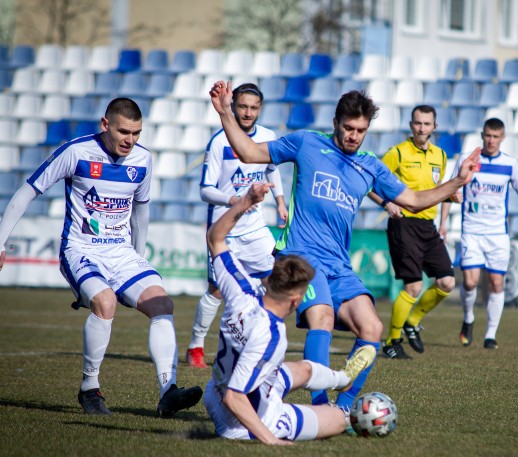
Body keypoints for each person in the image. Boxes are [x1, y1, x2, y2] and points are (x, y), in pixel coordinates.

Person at [209, 81, 481, 411]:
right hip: (301, 257)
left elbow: (413, 200)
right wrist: (226, 113)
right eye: (349, 127)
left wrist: (458, 180)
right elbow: (250, 153)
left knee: (373, 327)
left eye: (361, 130)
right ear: (336, 123)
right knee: (321, 317)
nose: (354, 135)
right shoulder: (306, 143)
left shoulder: (369, 165)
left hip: (339, 265)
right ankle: (320, 405)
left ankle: (345, 407)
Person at [0, 98, 202, 417]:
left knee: (162, 304)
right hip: (80, 250)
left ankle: (168, 392)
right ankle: (89, 388)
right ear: (105, 124)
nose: (130, 140)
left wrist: (138, 257)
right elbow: (27, 191)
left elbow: (141, 211)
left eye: (136, 133)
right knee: (105, 303)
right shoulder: (76, 152)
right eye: (123, 131)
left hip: (121, 253)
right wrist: (1, 242)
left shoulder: (143, 160)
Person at [203, 181, 376, 444]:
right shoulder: (271, 335)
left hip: (214, 392)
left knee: (306, 370)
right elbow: (234, 397)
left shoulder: (241, 292)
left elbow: (215, 237)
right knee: (342, 420)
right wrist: (270, 440)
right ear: (296, 301)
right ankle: (337, 408)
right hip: (243, 419)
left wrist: (246, 201)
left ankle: (343, 378)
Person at [186, 83, 288, 369]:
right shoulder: (219, 142)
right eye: (242, 106)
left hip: (256, 228)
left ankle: (260, 343)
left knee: (275, 284)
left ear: (260, 109)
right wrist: (235, 200)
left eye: (254, 107)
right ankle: (195, 345)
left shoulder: (267, 137)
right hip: (225, 228)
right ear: (234, 107)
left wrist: (280, 201)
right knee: (217, 290)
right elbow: (205, 189)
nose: (248, 112)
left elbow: (272, 170)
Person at [369, 105, 461, 359]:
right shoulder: (397, 153)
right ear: (411, 125)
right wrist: (386, 203)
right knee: (413, 287)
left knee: (446, 282)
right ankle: (391, 342)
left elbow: (438, 191)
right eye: (418, 123)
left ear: (434, 127)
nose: (422, 128)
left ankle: (412, 322)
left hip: (428, 227)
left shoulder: (440, 156)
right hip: (404, 224)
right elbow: (368, 181)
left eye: (427, 124)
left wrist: (448, 208)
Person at [441, 118, 518, 349]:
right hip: (471, 231)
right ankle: (469, 318)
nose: (491, 140)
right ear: (482, 135)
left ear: (503, 138)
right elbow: (450, 189)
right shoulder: (467, 160)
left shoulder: (510, 164)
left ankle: (490, 335)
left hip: (498, 235)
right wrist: (443, 223)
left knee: (496, 283)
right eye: (488, 135)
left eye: (495, 136)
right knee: (470, 282)